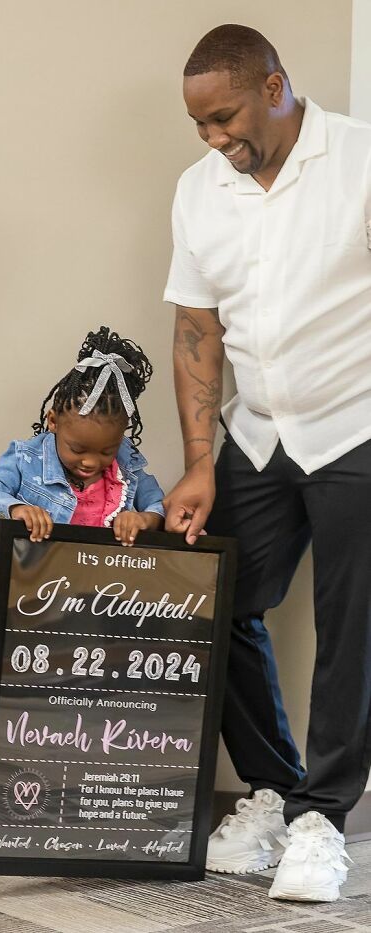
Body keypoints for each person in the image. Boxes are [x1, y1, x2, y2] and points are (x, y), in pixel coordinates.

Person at [163, 23, 371, 901]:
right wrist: (201, 461)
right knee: (221, 605)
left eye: (226, 117)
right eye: (201, 126)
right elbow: (196, 329)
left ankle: (324, 819)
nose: (216, 140)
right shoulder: (200, 189)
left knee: (349, 626)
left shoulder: (359, 162)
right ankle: (275, 789)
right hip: (256, 434)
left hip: (355, 426)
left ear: (276, 85)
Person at [0, 326, 165, 713]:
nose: (91, 462)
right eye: (78, 449)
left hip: (97, 616)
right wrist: (16, 510)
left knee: (78, 711)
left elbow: (157, 504)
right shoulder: (26, 459)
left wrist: (145, 519)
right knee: (21, 709)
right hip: (31, 611)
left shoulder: (128, 467)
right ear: (53, 421)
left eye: (106, 450)